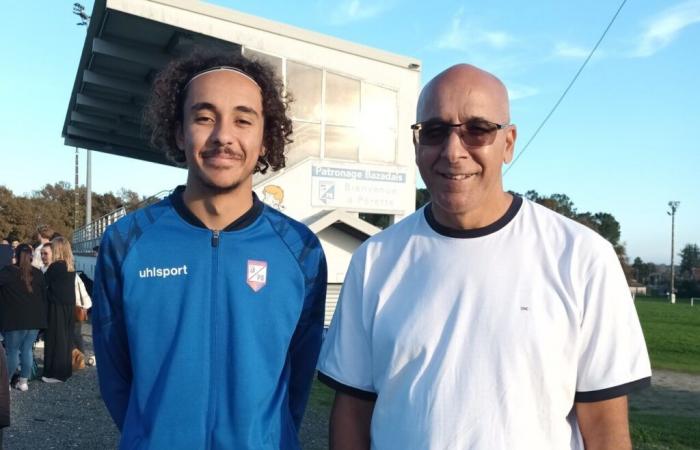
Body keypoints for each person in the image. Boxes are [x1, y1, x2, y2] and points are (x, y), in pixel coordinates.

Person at [317, 64, 651, 450]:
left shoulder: (582, 257)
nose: (452, 151)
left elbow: (606, 428)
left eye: (477, 130)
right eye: (435, 131)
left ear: (508, 143)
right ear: (416, 144)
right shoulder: (375, 259)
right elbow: (352, 412)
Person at [93, 50, 327, 449]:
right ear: (180, 131)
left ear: (264, 135)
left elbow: (298, 379)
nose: (223, 135)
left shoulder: (300, 250)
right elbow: (117, 379)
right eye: (204, 117)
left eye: (242, 119)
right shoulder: (126, 243)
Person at [0, 244, 47, 391]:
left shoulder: (7, 272)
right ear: (31, 256)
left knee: (12, 351)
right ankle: (23, 382)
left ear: (16, 255)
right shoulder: (38, 274)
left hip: (13, 319)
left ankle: (5, 383)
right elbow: (43, 296)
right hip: (34, 319)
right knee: (27, 350)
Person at [42, 236, 77, 383]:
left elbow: (43, 283)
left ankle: (55, 374)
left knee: (55, 338)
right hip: (68, 306)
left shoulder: (56, 266)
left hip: (56, 306)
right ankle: (64, 371)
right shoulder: (69, 266)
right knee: (65, 339)